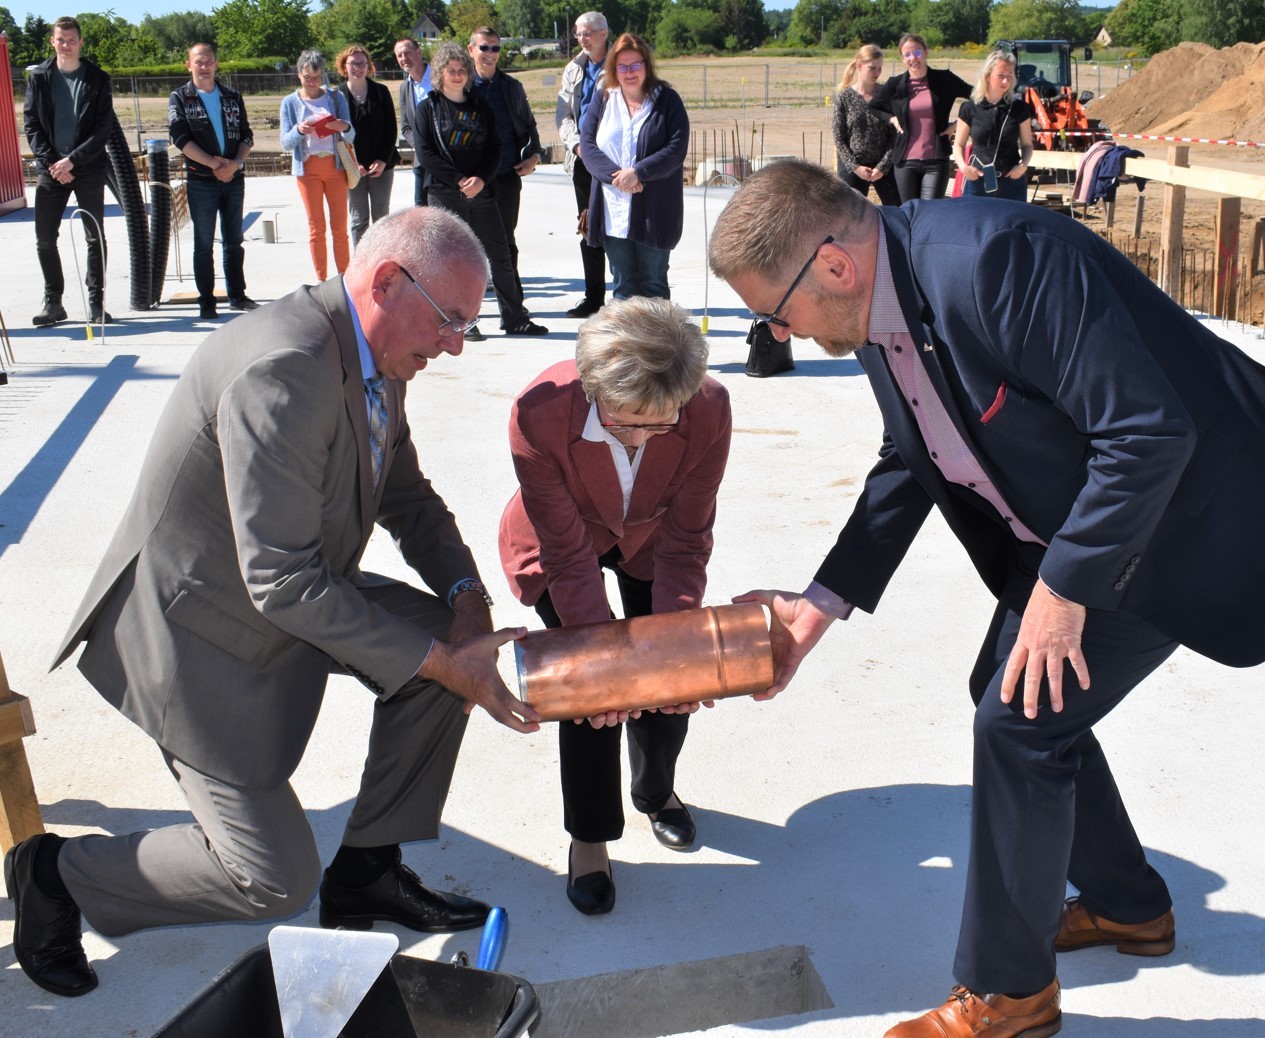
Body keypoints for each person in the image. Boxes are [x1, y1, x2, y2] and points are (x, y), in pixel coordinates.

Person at [707, 160, 1265, 1038]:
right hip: (1082, 517)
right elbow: (915, 454)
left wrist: (1062, 589)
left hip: (1175, 513)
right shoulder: (874, 306)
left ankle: (1010, 996)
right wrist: (818, 605)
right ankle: (1130, 906)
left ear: (831, 266)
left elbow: (1146, 432)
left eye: (770, 312)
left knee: (1015, 721)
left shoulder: (994, 261)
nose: (774, 333)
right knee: (1019, 702)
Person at [5, 206, 542, 1000]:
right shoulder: (283, 368)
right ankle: (55, 873)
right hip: (201, 638)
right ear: (389, 283)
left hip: (293, 587)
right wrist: (443, 664)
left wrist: (464, 598)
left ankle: (367, 867)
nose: (457, 343)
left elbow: (403, 491)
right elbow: (280, 580)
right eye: (452, 320)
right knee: (272, 880)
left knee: (449, 654)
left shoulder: (372, 354)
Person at [498, 296, 731, 915]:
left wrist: (671, 637)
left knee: (669, 664)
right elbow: (569, 557)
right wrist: (607, 662)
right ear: (592, 386)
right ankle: (591, 837)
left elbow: (688, 537)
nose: (640, 439)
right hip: (563, 542)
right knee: (591, 682)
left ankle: (658, 791)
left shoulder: (708, 409)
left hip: (655, 542)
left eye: (660, 426)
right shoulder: (539, 414)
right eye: (625, 422)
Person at [412, 42, 547, 338]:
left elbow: (495, 149)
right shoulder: (428, 108)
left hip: (483, 193)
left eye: (462, 70)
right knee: (455, 261)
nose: (458, 75)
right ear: (440, 74)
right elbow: (425, 154)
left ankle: (514, 317)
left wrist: (481, 180)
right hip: (447, 194)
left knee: (500, 255)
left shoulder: (480, 106)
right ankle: (462, 320)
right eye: (451, 71)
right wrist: (461, 180)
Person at [580, 33, 688, 301]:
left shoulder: (667, 101)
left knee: (654, 286)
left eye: (635, 64)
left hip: (654, 209)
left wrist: (638, 173)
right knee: (623, 286)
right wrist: (619, 177)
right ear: (614, 68)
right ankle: (626, 344)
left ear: (647, 65)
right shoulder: (604, 98)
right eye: (622, 66)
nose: (629, 72)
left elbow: (675, 149)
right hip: (613, 209)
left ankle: (659, 344)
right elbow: (588, 144)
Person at [23, 16, 114, 327]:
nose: (66, 44)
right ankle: (53, 302)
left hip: (87, 168)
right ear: (52, 41)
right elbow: (32, 124)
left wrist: (73, 160)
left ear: (81, 42)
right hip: (51, 169)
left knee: (94, 237)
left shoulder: (98, 79)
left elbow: (103, 130)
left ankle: (96, 302)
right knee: (45, 239)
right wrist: (52, 163)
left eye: (71, 39)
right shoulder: (39, 77)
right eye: (60, 39)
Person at [168, 42, 257, 320]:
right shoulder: (181, 97)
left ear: (216, 64)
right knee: (203, 243)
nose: (204, 66)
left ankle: (237, 295)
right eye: (199, 62)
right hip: (201, 181)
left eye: (209, 61)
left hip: (234, 178)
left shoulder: (232, 96)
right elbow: (180, 138)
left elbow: (246, 135)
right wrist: (213, 164)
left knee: (234, 241)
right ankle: (206, 300)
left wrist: (235, 164)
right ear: (189, 65)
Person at [468, 26, 540, 285]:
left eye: (495, 48)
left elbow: (530, 125)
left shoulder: (511, 87)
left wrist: (534, 156)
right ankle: (471, 302)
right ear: (471, 50)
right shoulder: (461, 88)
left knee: (506, 241)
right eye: (484, 47)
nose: (490, 53)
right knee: (470, 243)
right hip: (472, 179)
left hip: (507, 175)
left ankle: (512, 304)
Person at [280, 49, 355, 282]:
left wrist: (343, 126)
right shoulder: (290, 102)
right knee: (316, 228)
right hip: (307, 169)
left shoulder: (335, 97)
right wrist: (299, 130)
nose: (312, 82)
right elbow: (285, 143)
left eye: (317, 77)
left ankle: (344, 278)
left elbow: (351, 135)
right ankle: (322, 280)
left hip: (335, 168)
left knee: (340, 228)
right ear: (299, 75)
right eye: (307, 77)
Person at [869, 34, 971, 203]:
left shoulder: (944, 79)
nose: (913, 58)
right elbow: (873, 107)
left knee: (929, 213)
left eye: (917, 52)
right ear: (902, 58)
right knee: (909, 212)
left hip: (936, 162)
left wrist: (957, 125)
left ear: (926, 52)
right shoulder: (895, 84)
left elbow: (978, 98)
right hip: (905, 162)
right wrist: (892, 119)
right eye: (907, 55)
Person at [556, 10, 611, 318]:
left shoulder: (620, 64)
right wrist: (576, 144)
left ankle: (626, 296)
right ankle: (594, 297)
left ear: (604, 33)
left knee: (618, 229)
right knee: (588, 227)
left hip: (612, 160)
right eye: (578, 34)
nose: (582, 39)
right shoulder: (573, 69)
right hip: (581, 160)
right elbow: (563, 113)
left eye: (587, 33)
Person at [953, 50, 1034, 203]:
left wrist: (1023, 166)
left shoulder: (1020, 108)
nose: (1006, 81)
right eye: (1001, 75)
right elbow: (958, 145)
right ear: (988, 75)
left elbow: (1027, 144)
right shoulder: (969, 108)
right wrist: (964, 167)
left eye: (1009, 76)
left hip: (1012, 182)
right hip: (977, 181)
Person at [338, 44, 400, 245]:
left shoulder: (381, 92)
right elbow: (337, 136)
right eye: (353, 63)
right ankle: (361, 268)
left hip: (382, 166)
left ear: (369, 65)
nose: (358, 67)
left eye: (362, 63)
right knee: (358, 220)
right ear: (344, 66)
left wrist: (382, 160)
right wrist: (353, 164)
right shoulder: (336, 96)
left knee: (382, 218)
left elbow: (391, 130)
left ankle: (381, 264)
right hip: (352, 168)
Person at [832, 44, 899, 206]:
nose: (877, 73)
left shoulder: (888, 95)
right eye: (872, 68)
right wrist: (855, 167)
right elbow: (839, 137)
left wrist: (882, 167)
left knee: (897, 210)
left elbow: (895, 136)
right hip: (853, 167)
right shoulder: (845, 97)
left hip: (884, 168)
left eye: (880, 68)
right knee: (848, 213)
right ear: (859, 66)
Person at [395, 38, 433, 207]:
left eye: (407, 53)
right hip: (422, 161)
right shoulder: (405, 88)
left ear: (419, 52)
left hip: (449, 162)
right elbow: (405, 126)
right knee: (421, 212)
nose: (404, 58)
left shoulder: (441, 78)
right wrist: (421, 146)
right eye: (399, 55)